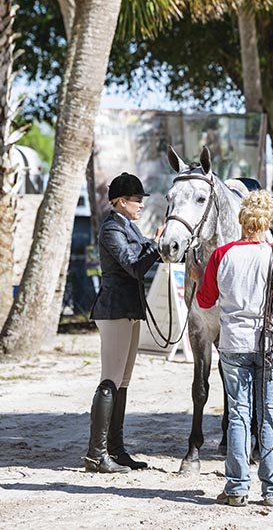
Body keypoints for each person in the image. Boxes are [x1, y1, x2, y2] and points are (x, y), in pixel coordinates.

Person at [191, 190, 273, 506]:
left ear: (242, 221)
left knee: (239, 415)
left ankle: (237, 488)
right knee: (270, 414)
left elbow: (204, 302)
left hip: (232, 343)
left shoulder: (221, 255)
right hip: (269, 344)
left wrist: (200, 279)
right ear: (267, 221)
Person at [85, 172, 164, 474]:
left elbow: (145, 253)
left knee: (123, 382)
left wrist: (160, 246)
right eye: (136, 199)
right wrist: (154, 247)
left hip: (130, 309)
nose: (141, 203)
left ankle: (115, 449)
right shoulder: (110, 229)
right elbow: (134, 265)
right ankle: (96, 453)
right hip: (114, 309)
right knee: (110, 380)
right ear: (119, 201)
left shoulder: (129, 227)